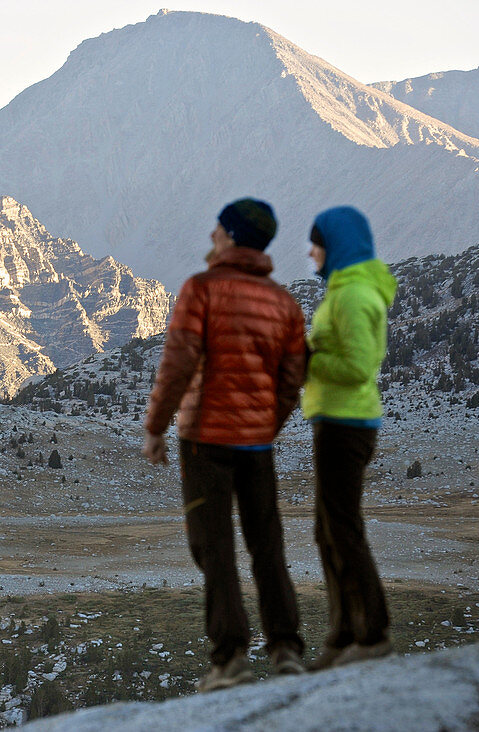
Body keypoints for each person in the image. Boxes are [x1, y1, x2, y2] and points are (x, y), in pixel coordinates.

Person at [142, 198, 307, 691]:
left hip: (205, 441)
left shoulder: (202, 290)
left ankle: (230, 657)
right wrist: (265, 423)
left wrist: (156, 426)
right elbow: (292, 377)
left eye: (218, 228)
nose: (212, 234)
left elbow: (178, 362)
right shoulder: (283, 302)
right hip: (256, 443)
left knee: (213, 546)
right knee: (267, 544)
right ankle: (286, 649)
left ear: (232, 235)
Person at [302, 206, 397, 670]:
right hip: (335, 422)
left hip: (348, 424)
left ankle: (372, 630)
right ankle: (341, 634)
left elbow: (360, 367)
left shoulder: (355, 294)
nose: (311, 251)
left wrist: (307, 362)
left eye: (316, 243)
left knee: (342, 527)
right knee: (327, 530)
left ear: (336, 245)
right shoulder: (342, 290)